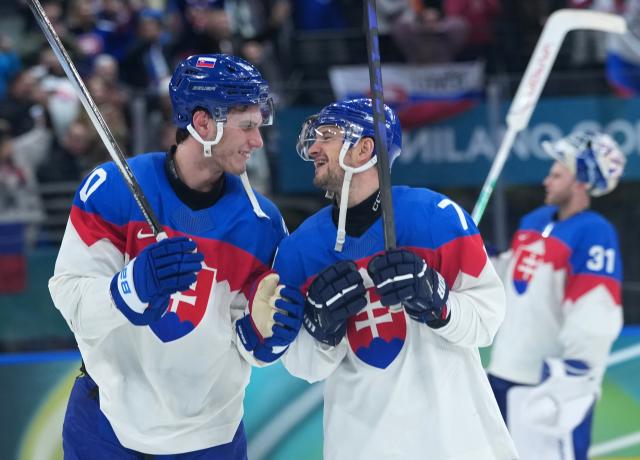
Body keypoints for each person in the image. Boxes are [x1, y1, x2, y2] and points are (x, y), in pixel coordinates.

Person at [48, 54, 304, 459]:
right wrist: (128, 291)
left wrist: (267, 336)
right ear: (202, 123)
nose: (258, 141)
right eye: (247, 126)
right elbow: (70, 300)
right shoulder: (113, 189)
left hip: (210, 437)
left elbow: (252, 347)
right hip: (105, 426)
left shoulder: (263, 223)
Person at [274, 98, 518, 460]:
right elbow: (303, 367)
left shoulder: (435, 218)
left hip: (453, 442)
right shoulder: (299, 249)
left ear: (364, 149)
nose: (313, 149)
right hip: (359, 446)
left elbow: (488, 323)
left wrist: (441, 304)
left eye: (326, 136)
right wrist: (320, 333)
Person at [487, 131, 626, 460]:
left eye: (557, 174)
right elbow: (512, 277)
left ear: (580, 182)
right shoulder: (534, 221)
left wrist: (578, 368)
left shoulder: (594, 231)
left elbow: (596, 301)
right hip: (504, 370)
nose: (547, 180)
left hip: (548, 383)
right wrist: (480, 258)